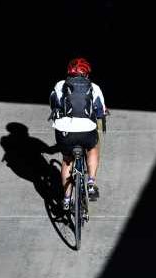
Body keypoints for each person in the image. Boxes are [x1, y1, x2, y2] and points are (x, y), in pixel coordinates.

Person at [48, 57, 107, 210]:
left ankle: (67, 199)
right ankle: (91, 183)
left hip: (65, 132)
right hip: (87, 131)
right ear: (86, 73)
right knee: (93, 148)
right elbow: (100, 111)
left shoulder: (60, 85)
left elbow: (53, 105)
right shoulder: (94, 87)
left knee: (67, 160)